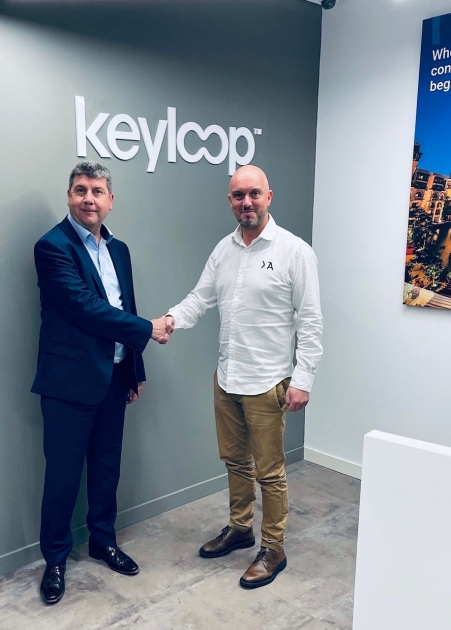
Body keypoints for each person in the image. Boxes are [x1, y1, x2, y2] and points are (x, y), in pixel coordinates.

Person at [163, 165, 323, 589]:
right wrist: (171, 319)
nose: (246, 202)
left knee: (269, 472)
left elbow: (310, 322)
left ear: (269, 196)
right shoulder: (224, 249)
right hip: (227, 378)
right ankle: (240, 528)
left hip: (268, 382)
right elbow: (200, 298)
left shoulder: (295, 251)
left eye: (254, 194)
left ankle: (273, 548)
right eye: (238, 195)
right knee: (234, 461)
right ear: (230, 201)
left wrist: (303, 378)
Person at [32, 161, 169, 605]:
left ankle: (102, 541)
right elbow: (84, 307)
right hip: (68, 383)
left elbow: (125, 305)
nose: (88, 199)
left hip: (113, 378)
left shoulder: (119, 249)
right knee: (63, 477)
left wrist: (134, 370)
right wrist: (147, 329)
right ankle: (55, 559)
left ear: (111, 200)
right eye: (80, 190)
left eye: (96, 191)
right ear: (69, 197)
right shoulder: (51, 246)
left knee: (107, 468)